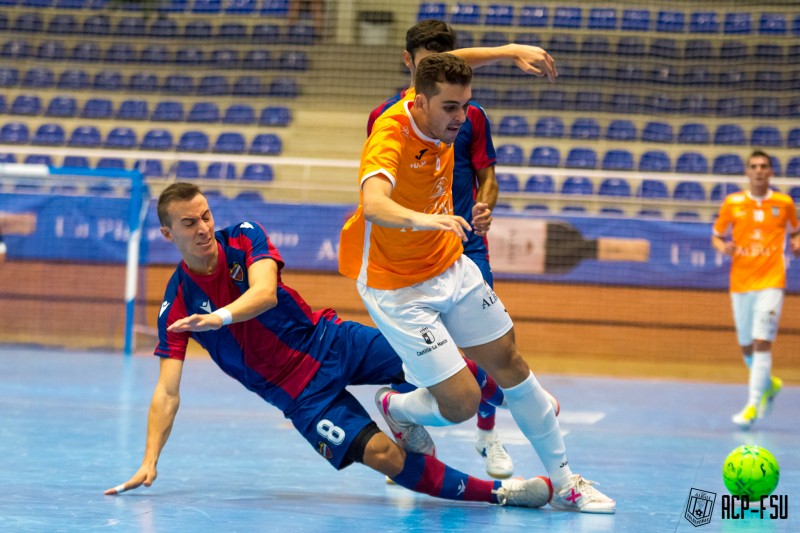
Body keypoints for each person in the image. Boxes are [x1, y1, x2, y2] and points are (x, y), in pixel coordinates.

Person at [104, 182, 553, 509]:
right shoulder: (177, 303)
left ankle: (513, 403)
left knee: (446, 366)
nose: (203, 228)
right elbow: (167, 391)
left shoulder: (242, 235)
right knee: (384, 456)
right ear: (168, 234)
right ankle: (500, 493)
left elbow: (264, 293)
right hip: (298, 394)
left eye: (205, 216)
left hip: (331, 340)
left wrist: (218, 318)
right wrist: (150, 460)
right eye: (189, 223)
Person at [339, 54, 615, 513]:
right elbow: (373, 204)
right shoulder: (390, 133)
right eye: (450, 108)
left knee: (509, 361)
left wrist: (509, 52)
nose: (460, 118)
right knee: (462, 403)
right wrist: (428, 221)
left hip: (449, 264)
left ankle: (566, 482)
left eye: (465, 106)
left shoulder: (436, 101)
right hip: (397, 288)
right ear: (420, 99)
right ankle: (397, 408)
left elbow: (446, 60)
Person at [366, 19, 562, 480]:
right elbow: (378, 191)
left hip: (465, 245)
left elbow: (487, 175)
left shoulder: (468, 115)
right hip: (411, 253)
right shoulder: (388, 119)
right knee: (420, 360)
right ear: (410, 65)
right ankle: (410, 437)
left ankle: (489, 434)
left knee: (494, 352)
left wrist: (483, 205)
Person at [712, 150, 800, 429]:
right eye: (754, 166)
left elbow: (796, 231)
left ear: (771, 171)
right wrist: (722, 247)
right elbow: (716, 235)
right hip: (740, 282)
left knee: (763, 341)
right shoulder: (733, 202)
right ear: (748, 172)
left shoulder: (784, 203)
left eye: (764, 166)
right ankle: (770, 384)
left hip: (772, 281)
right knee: (747, 346)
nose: (759, 170)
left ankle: (752, 406)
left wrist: (797, 243)